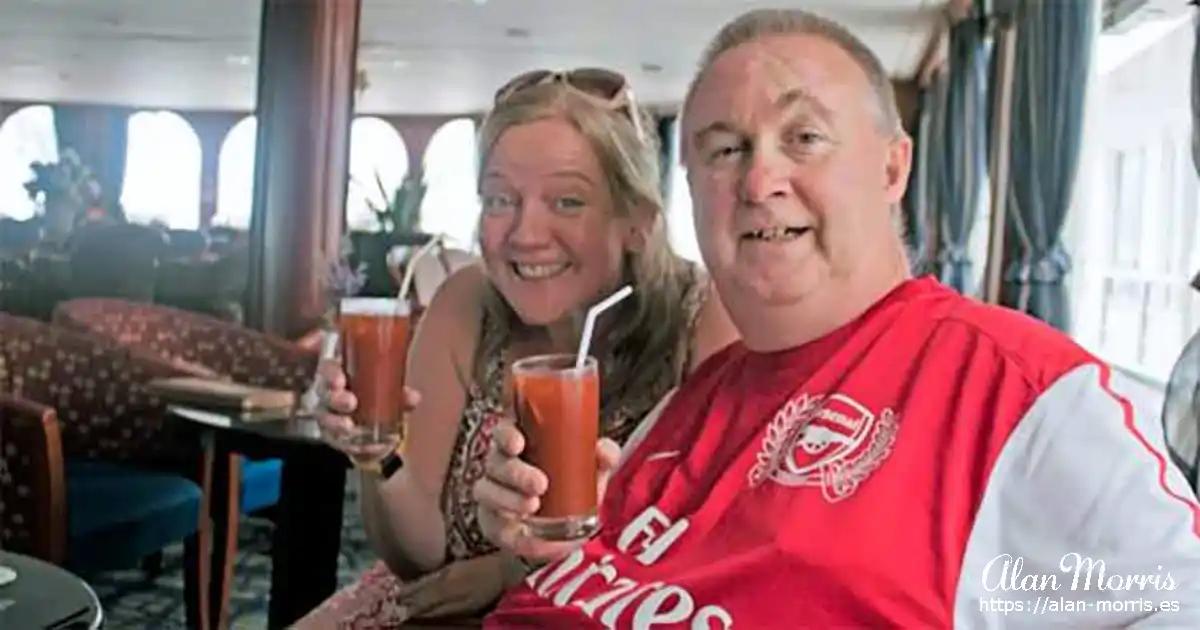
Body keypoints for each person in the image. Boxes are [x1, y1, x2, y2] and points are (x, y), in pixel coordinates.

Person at [473, 8, 1200, 628]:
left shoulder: (1016, 389)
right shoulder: (688, 402)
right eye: (725, 151)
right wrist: (539, 534)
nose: (760, 182)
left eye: (804, 138)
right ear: (691, 192)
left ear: (892, 169)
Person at [298, 66, 738, 627]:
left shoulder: (704, 321)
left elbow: (716, 560)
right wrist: (375, 453)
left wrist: (510, 573)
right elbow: (419, 560)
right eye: (501, 199)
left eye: (568, 202)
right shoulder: (467, 304)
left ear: (637, 222)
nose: (524, 234)